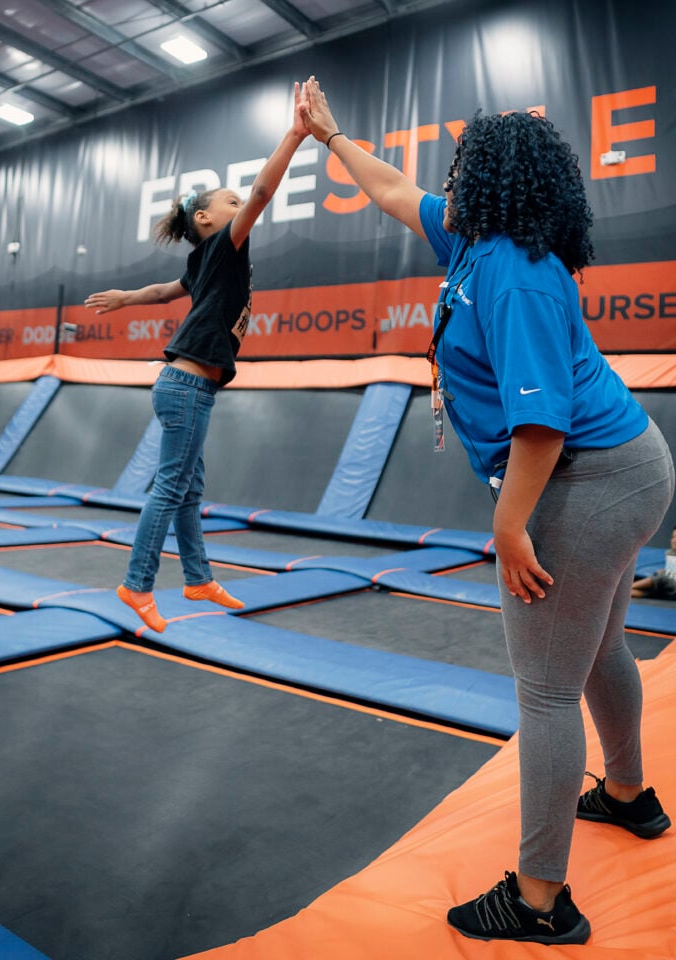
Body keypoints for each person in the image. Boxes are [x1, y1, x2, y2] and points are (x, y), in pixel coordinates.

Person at [301, 77, 673, 945]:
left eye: (463, 161)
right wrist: (331, 137)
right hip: (626, 467)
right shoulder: (473, 235)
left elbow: (540, 423)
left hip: (589, 477)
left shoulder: (517, 275)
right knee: (601, 646)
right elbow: (392, 190)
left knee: (544, 691)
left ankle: (541, 903)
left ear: (492, 174)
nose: (449, 173)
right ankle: (629, 796)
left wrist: (510, 529)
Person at [85, 82, 311, 633]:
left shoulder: (207, 259)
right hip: (185, 386)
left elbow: (165, 291)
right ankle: (136, 584)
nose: (240, 208)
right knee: (171, 486)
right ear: (207, 221)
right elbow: (260, 192)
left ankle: (197, 577)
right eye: (228, 204)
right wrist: (296, 133)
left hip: (190, 387)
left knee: (189, 487)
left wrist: (124, 297)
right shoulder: (223, 245)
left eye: (236, 203)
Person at [631, 526, 676, 599]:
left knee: (663, 576)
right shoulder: (670, 552)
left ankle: (630, 587)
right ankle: (629, 592)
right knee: (660, 574)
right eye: (673, 537)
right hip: (668, 588)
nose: (674, 540)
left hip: (672, 587)